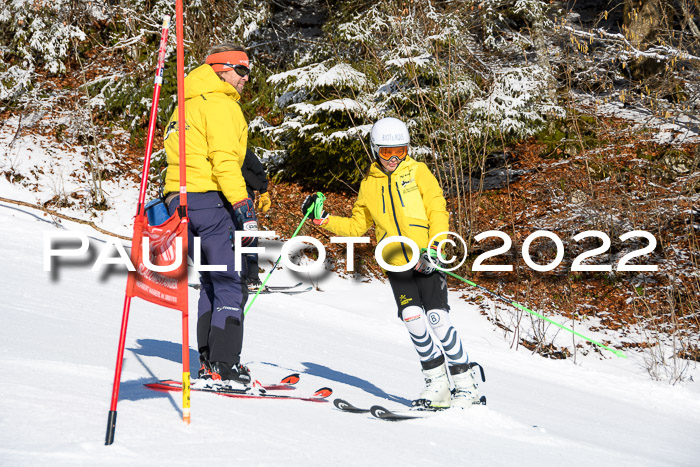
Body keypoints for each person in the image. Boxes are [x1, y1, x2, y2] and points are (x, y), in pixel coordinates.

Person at [300, 117, 484, 409]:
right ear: (375, 150)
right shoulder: (368, 184)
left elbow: (437, 208)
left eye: (400, 150)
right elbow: (358, 225)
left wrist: (434, 248)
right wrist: (323, 219)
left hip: (425, 257)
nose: (394, 158)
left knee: (437, 318)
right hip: (395, 260)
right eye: (387, 152)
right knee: (412, 318)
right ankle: (437, 384)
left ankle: (465, 383)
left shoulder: (419, 172)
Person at [162, 43, 255, 386]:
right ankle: (226, 365)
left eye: (247, 70)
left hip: (182, 203)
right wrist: (243, 204)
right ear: (221, 70)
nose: (246, 78)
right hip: (213, 201)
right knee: (231, 282)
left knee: (211, 284)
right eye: (241, 70)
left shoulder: (184, 105)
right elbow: (224, 160)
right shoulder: (220, 104)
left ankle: (207, 360)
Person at [241, 148, 271, 289]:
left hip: (220, 197)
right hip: (241, 197)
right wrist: (263, 189)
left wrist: (263, 190)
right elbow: (256, 168)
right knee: (248, 237)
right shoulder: (238, 146)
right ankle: (251, 278)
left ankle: (232, 276)